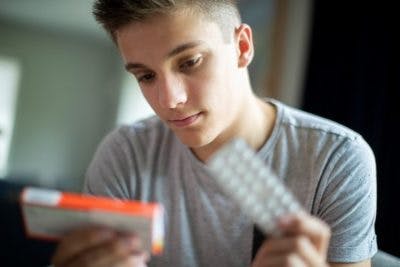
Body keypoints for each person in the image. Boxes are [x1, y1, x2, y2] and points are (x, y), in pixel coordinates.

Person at [51, 0, 377, 266]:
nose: (170, 100)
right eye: (146, 76)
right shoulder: (124, 155)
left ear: (242, 46)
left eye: (189, 62)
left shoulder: (337, 160)